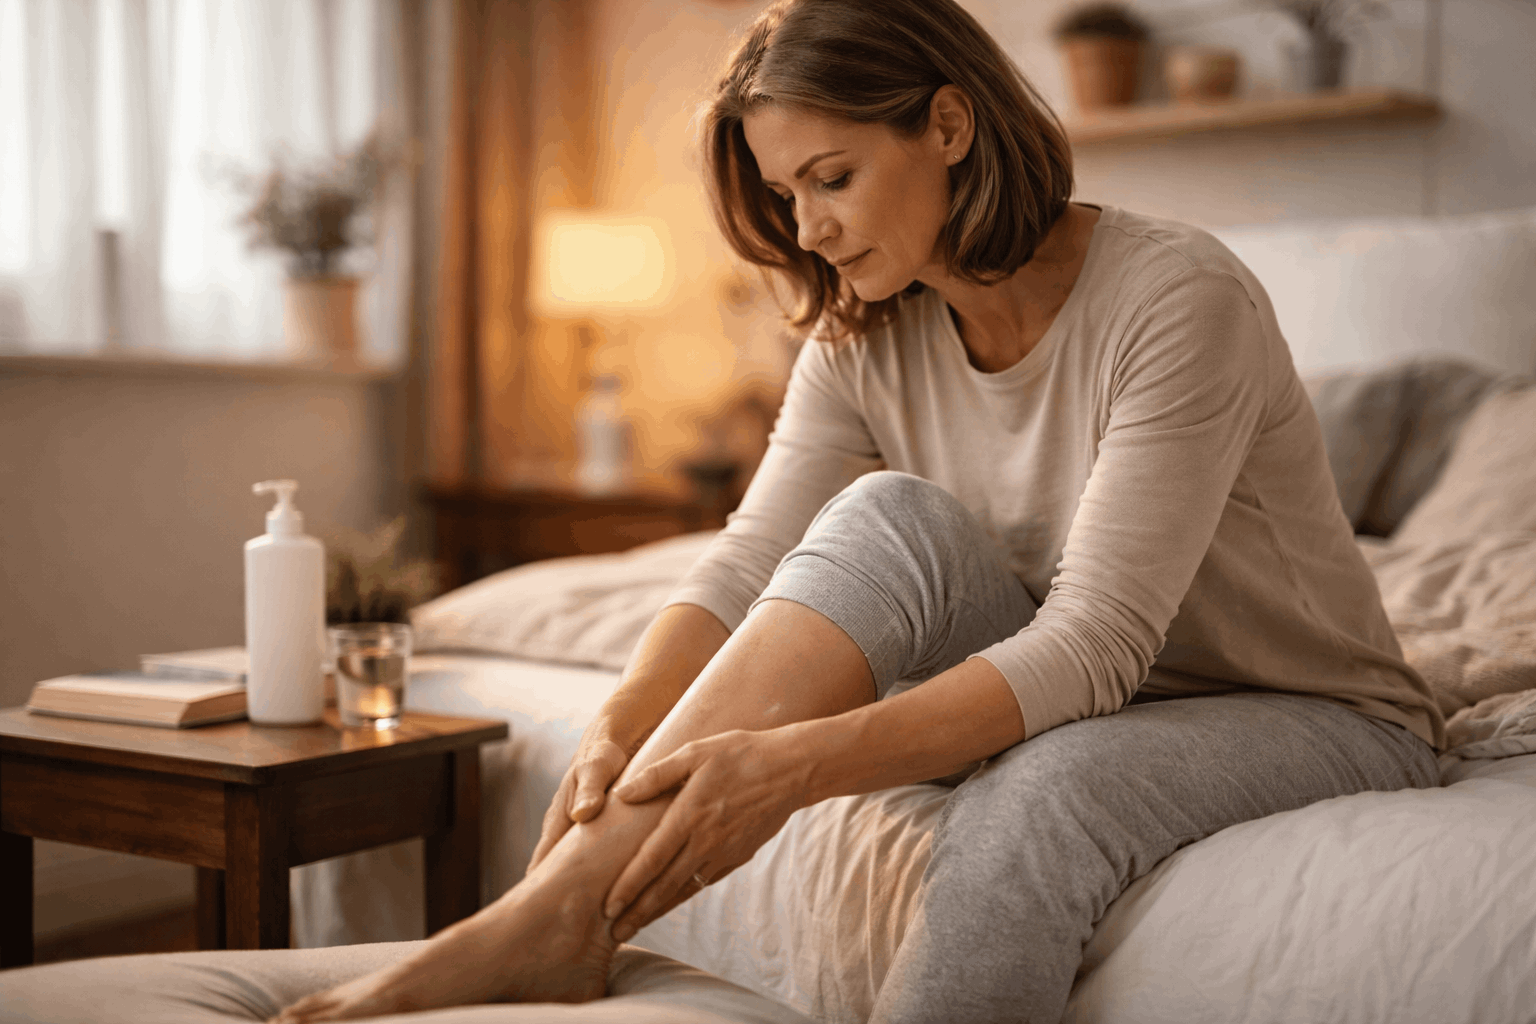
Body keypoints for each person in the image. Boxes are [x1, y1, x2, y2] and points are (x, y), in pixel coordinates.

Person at [274, 1, 1444, 1021]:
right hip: (1071, 684)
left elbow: (1096, 642)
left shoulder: (1178, 297)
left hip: (1308, 708)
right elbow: (748, 560)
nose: (808, 229)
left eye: (832, 178)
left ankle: (555, 916)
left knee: (1042, 793)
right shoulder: (860, 332)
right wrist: (626, 719)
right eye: (786, 194)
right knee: (890, 516)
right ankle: (559, 910)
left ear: (950, 125)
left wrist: (793, 764)